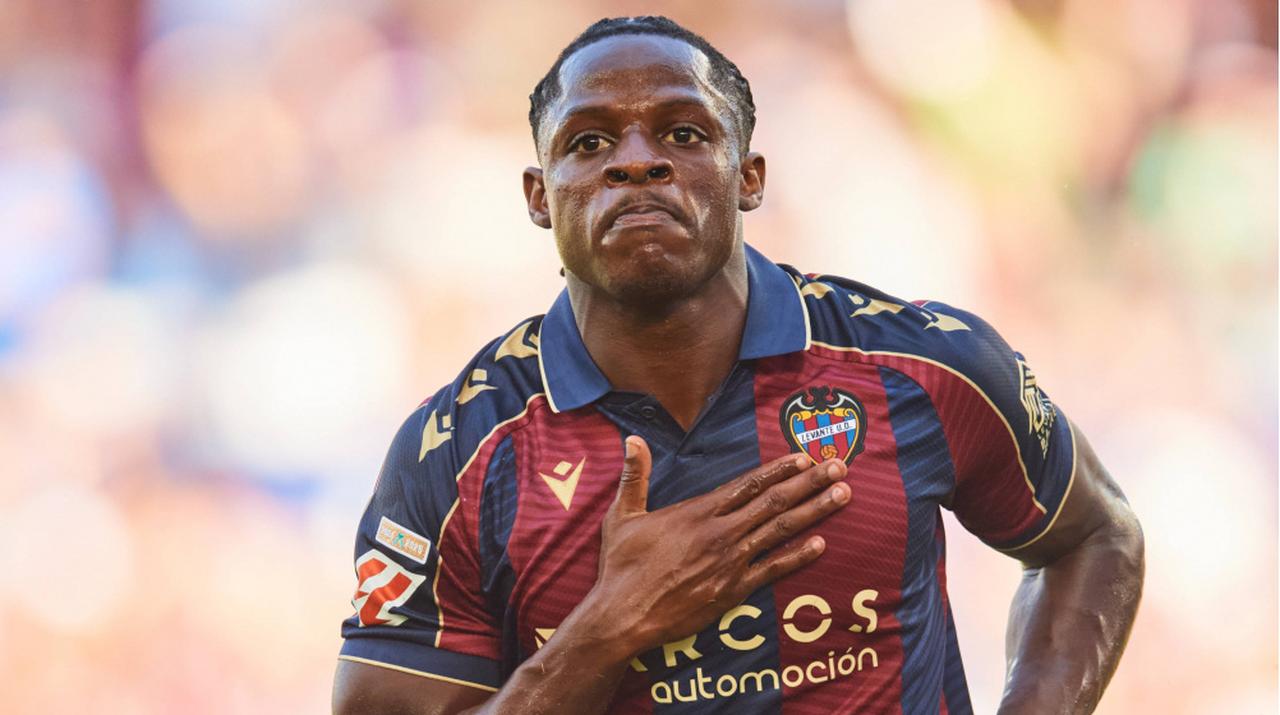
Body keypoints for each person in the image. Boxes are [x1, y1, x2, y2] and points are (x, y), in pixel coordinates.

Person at [331, 16, 1144, 715]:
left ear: (748, 176)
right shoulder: (458, 451)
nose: (637, 161)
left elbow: (1095, 533)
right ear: (540, 195)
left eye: (684, 133)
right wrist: (608, 628)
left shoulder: (922, 364)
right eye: (590, 141)